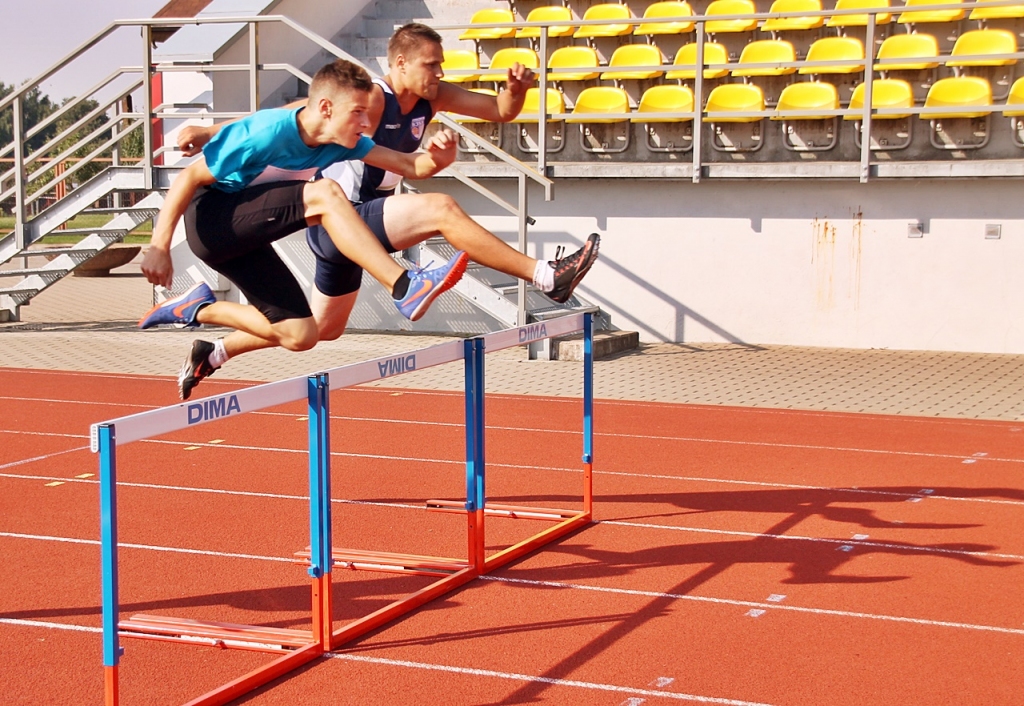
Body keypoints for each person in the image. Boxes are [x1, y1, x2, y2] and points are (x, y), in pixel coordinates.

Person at [175, 23, 600, 399]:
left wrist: (516, 91)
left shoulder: (433, 99)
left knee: (318, 330)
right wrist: (211, 130)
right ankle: (546, 276)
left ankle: (213, 351)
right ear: (400, 63)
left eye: (441, 65)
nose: (439, 74)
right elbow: (290, 113)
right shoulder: (373, 97)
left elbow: (498, 111)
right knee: (442, 210)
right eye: (431, 65)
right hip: (338, 216)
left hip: (356, 226)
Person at [139, 59, 468, 400]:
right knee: (324, 193)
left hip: (249, 240)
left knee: (302, 335)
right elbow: (188, 177)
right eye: (358, 112)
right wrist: (159, 247)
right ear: (326, 108)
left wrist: (438, 159)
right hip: (213, 221)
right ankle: (403, 285)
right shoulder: (268, 132)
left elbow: (407, 164)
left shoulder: (342, 141)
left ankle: (195, 309)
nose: (367, 123)